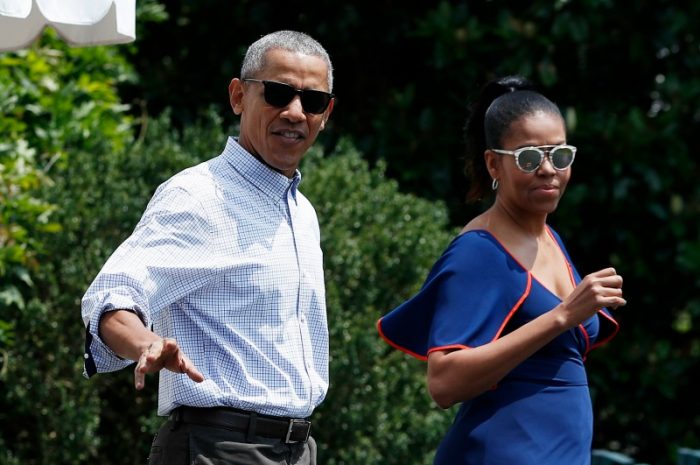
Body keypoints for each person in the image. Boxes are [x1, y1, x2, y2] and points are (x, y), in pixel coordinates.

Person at [81, 30, 335, 465]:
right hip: (218, 449)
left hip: (296, 450)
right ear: (239, 97)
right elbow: (112, 295)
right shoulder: (199, 196)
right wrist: (144, 343)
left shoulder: (302, 212)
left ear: (325, 113)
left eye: (312, 102)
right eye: (278, 93)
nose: (295, 113)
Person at [376, 75, 625, 465]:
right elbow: (444, 382)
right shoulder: (480, 251)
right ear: (494, 163)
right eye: (529, 158)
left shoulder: (549, 237)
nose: (548, 169)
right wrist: (562, 316)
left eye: (560, 155)